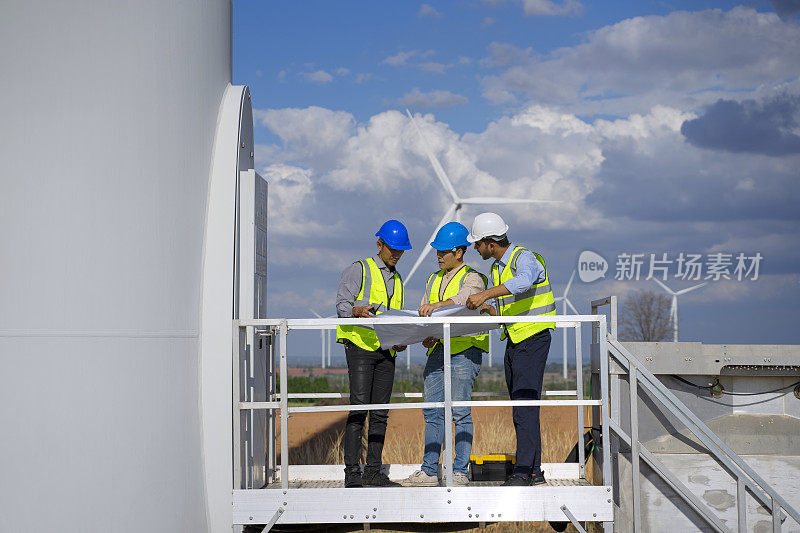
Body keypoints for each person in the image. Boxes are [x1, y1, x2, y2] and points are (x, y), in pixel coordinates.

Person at [464, 212, 556, 486]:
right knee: (522, 407)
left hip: (532, 339)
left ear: (491, 244)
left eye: (477, 243)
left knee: (524, 408)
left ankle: (523, 471)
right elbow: (514, 304)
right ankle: (533, 470)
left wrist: (485, 294)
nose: (475, 248)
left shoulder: (523, 258)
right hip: (515, 339)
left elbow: (525, 281)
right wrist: (491, 311)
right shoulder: (498, 268)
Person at [403, 222, 488, 487]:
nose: (438, 255)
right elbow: (425, 314)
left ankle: (460, 471)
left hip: (464, 351)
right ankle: (430, 471)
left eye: (443, 251)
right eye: (437, 251)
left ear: (459, 252)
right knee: (432, 411)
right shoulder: (433, 278)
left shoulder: (473, 278)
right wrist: (425, 334)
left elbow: (463, 301)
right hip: (438, 350)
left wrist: (436, 306)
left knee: (460, 411)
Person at [335, 220, 410, 488]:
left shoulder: (398, 279)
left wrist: (400, 338)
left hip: (387, 351)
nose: (397, 254)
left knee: (380, 412)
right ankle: (352, 473)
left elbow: (394, 317)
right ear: (380, 245)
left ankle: (374, 472)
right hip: (360, 348)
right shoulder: (359, 269)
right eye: (393, 249)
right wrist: (356, 311)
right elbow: (342, 305)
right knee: (359, 410)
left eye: (401, 250)